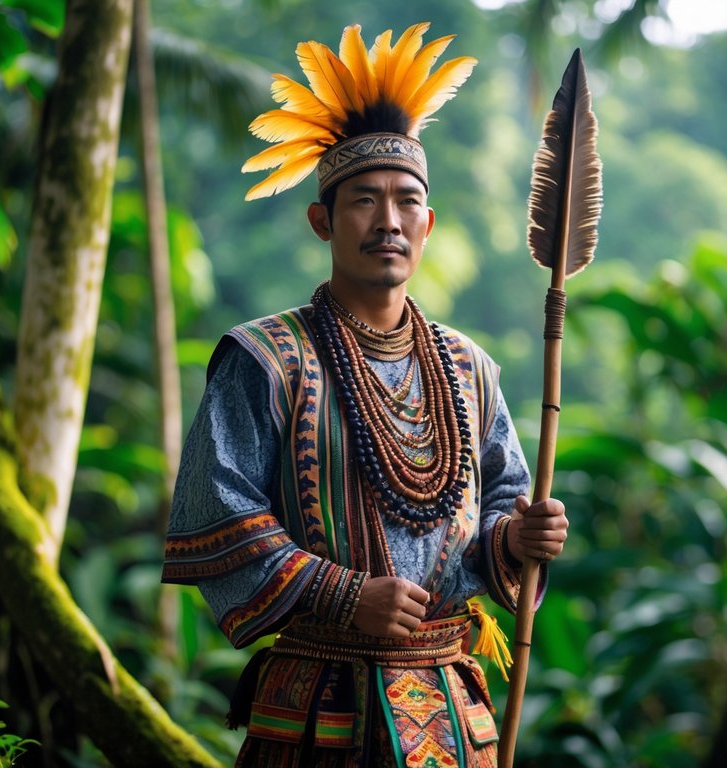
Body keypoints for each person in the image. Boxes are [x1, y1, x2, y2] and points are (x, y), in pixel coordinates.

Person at [162, 22, 568, 767]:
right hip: (317, 713)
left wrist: (520, 537)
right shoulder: (264, 357)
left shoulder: (471, 368)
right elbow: (216, 514)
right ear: (322, 219)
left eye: (406, 201)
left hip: (453, 715)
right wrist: (343, 594)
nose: (387, 220)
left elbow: (506, 502)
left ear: (428, 224)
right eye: (363, 201)